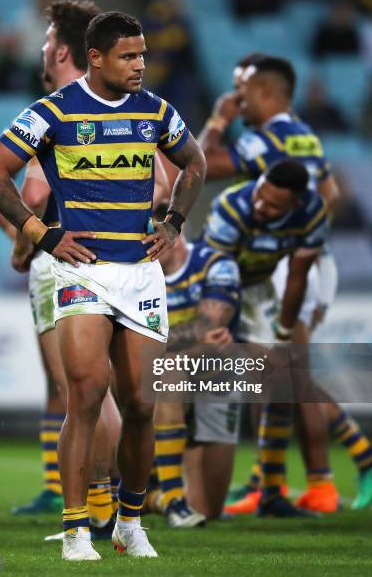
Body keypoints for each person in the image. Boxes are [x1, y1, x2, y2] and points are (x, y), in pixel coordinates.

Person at [0, 11, 206, 561]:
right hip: (82, 271)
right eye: (129, 56)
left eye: (143, 55)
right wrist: (42, 234)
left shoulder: (157, 112)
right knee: (83, 394)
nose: (140, 65)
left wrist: (173, 224)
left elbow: (193, 163)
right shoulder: (53, 111)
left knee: (142, 405)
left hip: (140, 274)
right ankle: (78, 529)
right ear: (96, 57)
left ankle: (130, 522)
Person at [199, 53, 372, 513]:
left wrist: (218, 119)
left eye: (241, 89)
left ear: (265, 91)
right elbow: (332, 195)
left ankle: (343, 468)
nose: (236, 98)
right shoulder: (304, 137)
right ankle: (272, 482)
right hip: (307, 255)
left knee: (287, 374)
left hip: (285, 259)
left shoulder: (270, 140)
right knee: (278, 376)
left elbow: (199, 161)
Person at [204, 160, 329, 517]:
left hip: (259, 290)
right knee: (183, 384)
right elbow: (217, 270)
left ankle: (271, 492)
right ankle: (157, 486)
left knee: (283, 377)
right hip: (211, 291)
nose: (261, 207)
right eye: (260, 196)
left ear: (295, 203)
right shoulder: (231, 205)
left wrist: (285, 334)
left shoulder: (312, 211)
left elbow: (297, 275)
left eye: (273, 205)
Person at [153, 204, 241, 524]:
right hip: (159, 375)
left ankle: (160, 498)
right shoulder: (136, 274)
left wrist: (164, 345)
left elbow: (211, 328)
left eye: (153, 236)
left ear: (175, 232)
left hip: (212, 370)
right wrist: (189, 348)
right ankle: (169, 497)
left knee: (208, 511)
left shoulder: (216, 265)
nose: (147, 245)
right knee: (166, 371)